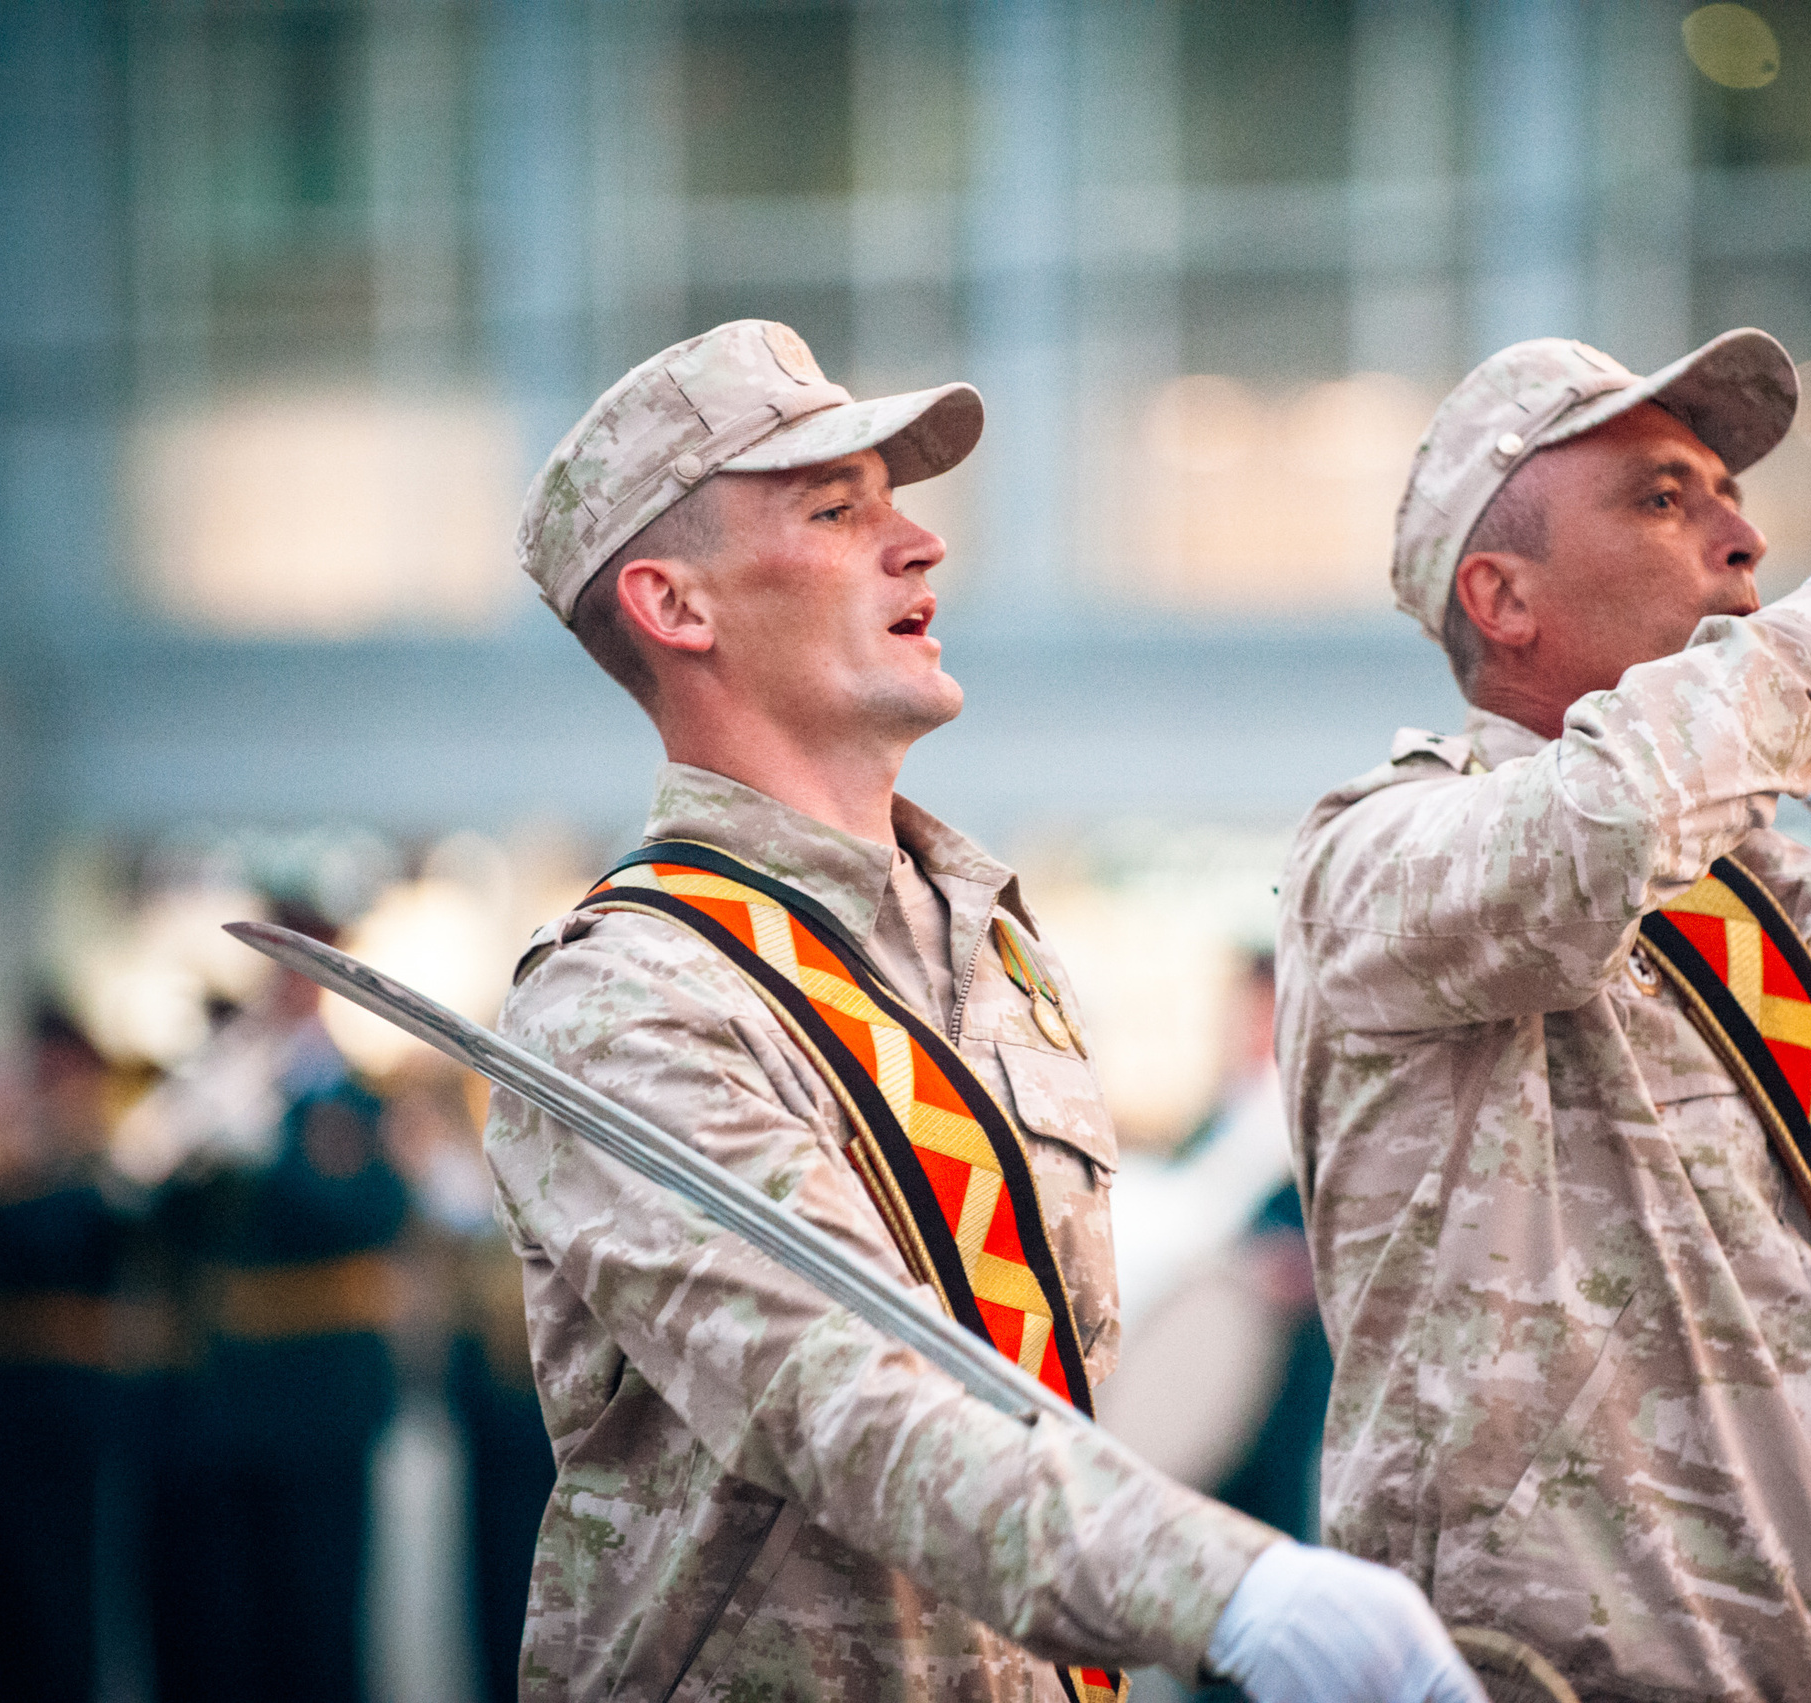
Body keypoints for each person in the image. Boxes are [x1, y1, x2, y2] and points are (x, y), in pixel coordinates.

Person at [488, 319, 1479, 1703]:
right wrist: (1231, 1586)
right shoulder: (628, 994)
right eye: (837, 510)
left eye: (897, 503)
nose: (920, 543)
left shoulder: (992, 946)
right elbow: (840, 1387)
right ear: (676, 604)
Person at [1275, 332, 1811, 1702]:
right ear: (1501, 596)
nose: (1746, 539)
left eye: (1729, 493)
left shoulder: (1794, 923)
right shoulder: (1376, 858)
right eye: (1663, 496)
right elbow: (1597, 829)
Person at [117, 906, 410, 1703]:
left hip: (318, 1396)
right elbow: (146, 1215)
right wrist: (189, 1143)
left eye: (305, 970)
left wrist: (264, 1160)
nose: (290, 988)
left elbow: (369, 1211)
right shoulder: (223, 1077)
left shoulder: (347, 1094)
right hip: (217, 1397)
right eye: (278, 969)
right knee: (215, 1628)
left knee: (312, 1623)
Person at [0, 1004, 132, 1703]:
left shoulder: (98, 1152)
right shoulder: (1, 1143)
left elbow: (63, 1235)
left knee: (54, 1587)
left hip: (63, 1393)